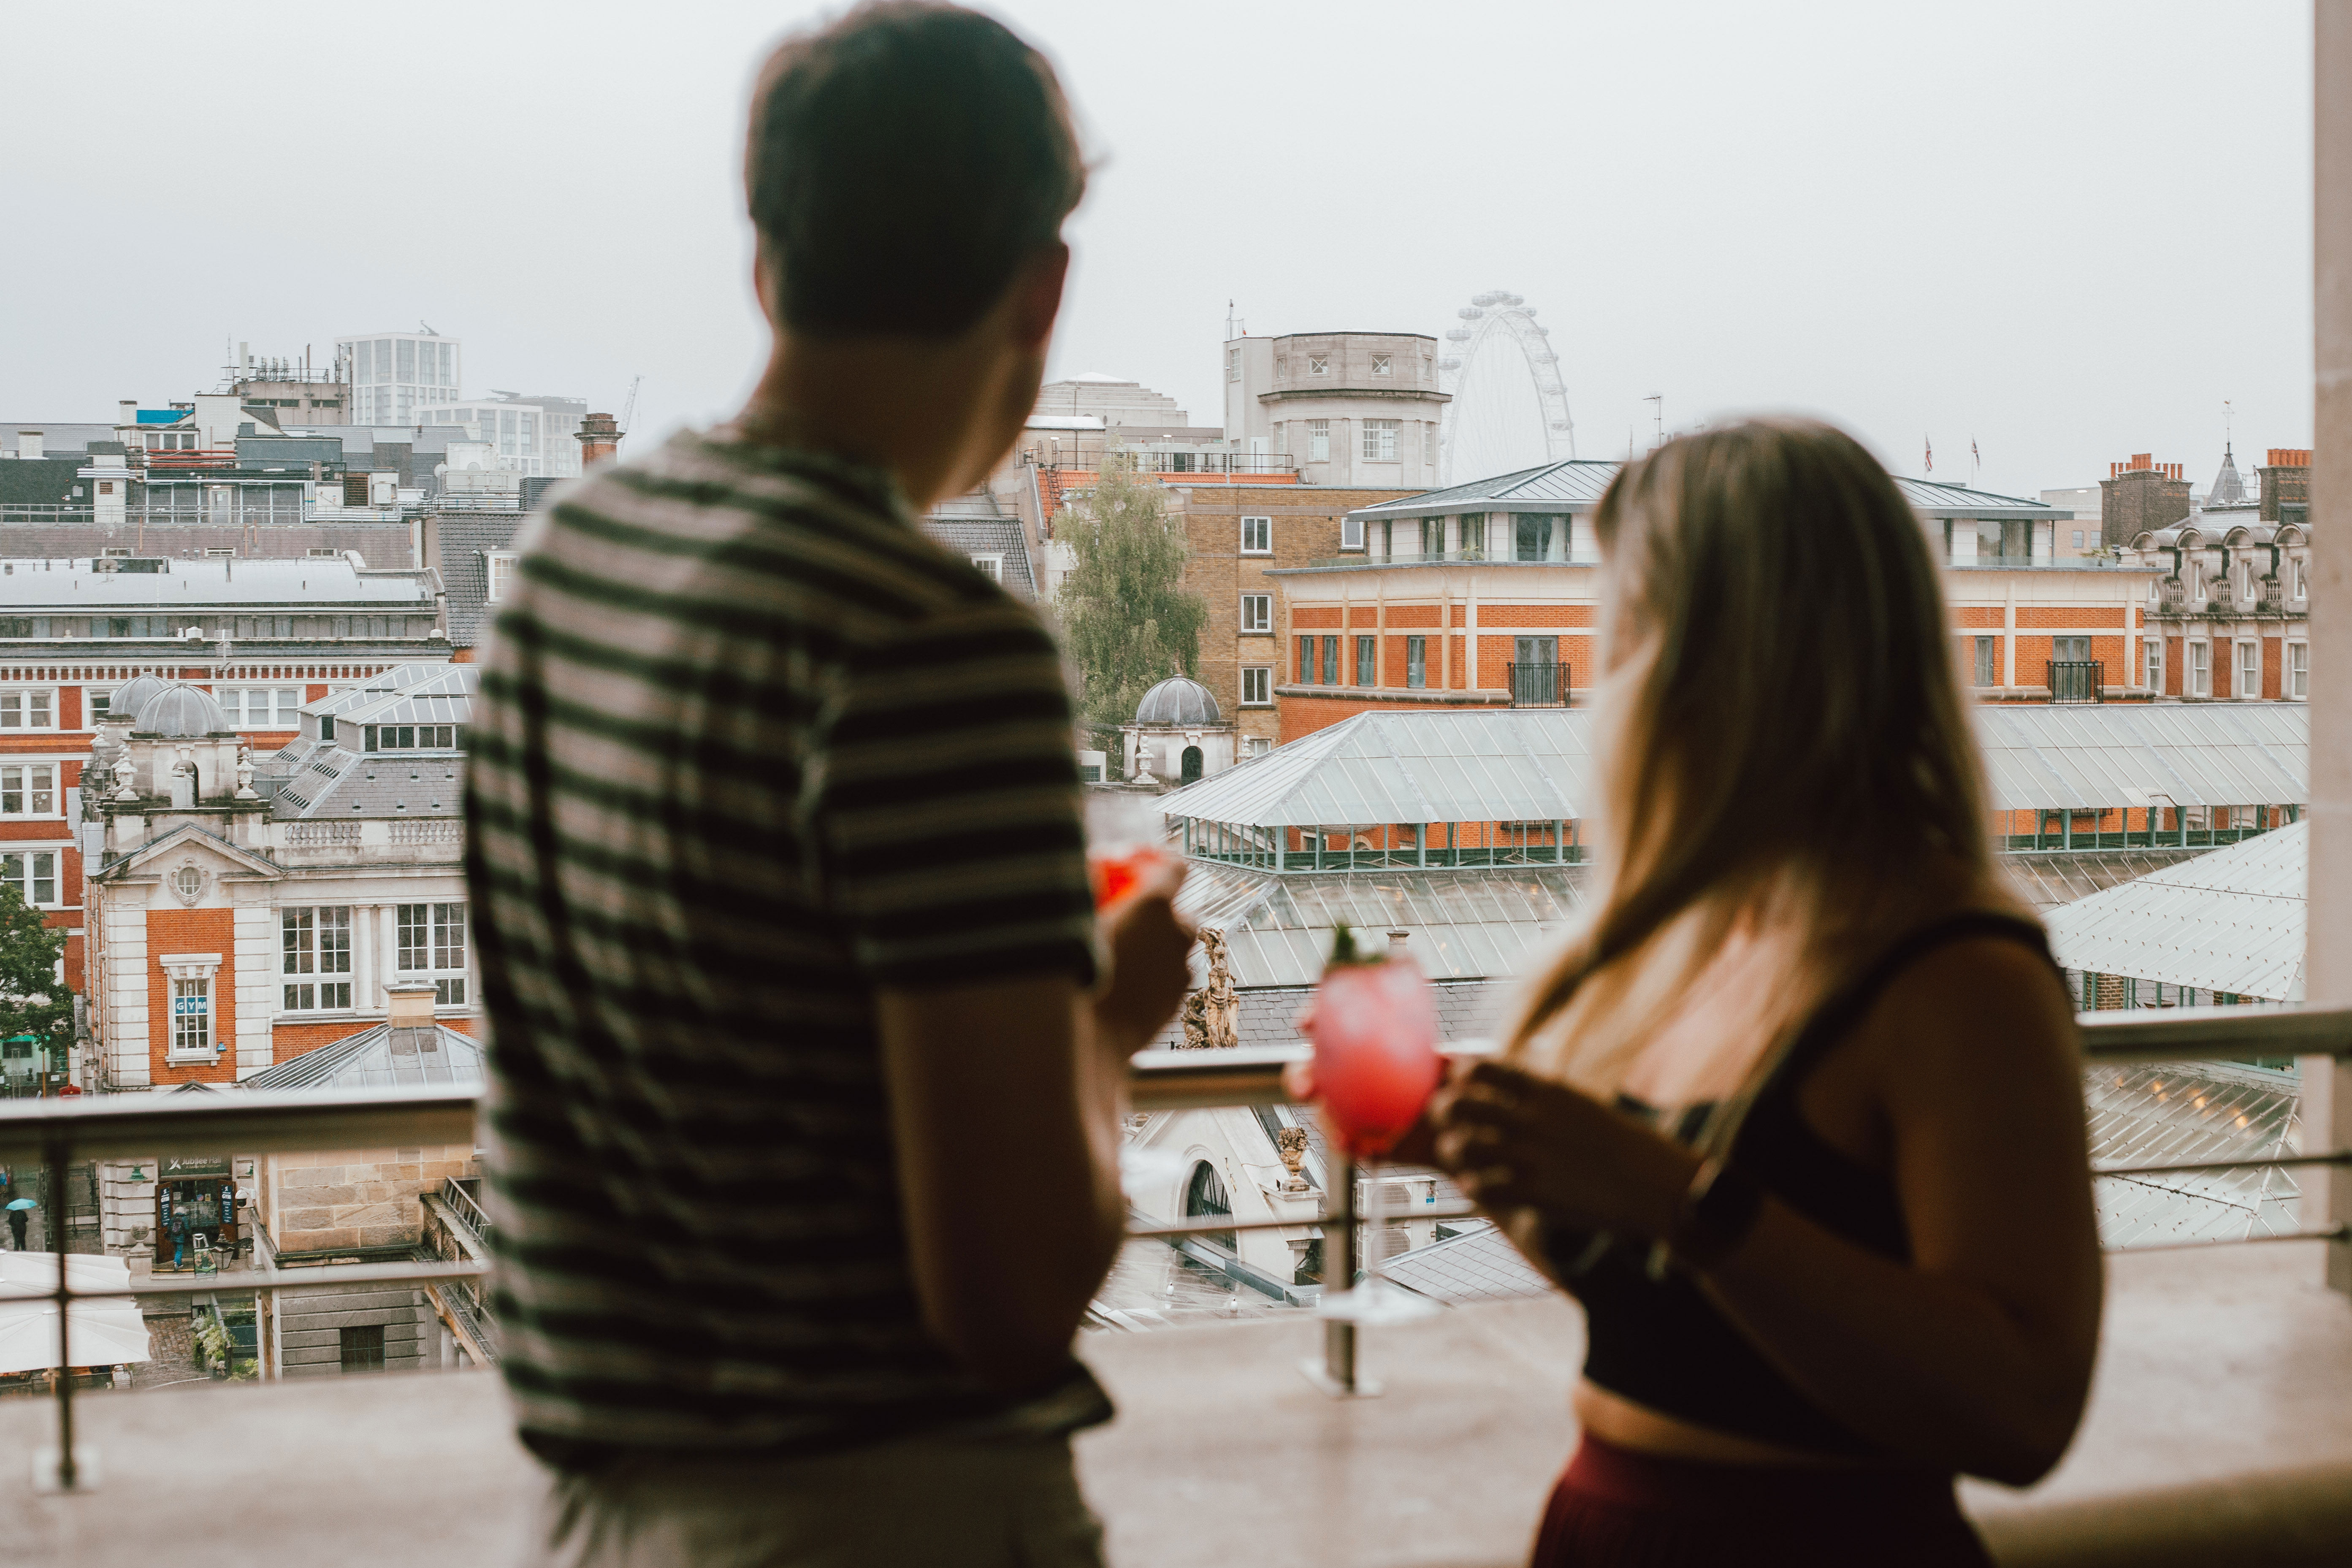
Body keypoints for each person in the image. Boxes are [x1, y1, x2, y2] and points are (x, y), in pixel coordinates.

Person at [463, 7, 1193, 1564]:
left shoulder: (563, 566)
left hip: (606, 1505)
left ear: (765, 258)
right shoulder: (929, 645)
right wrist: (1100, 1029)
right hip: (884, 1508)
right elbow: (1006, 1304)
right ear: (1041, 284)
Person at [1423, 422, 2103, 1566]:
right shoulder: (1693, 931)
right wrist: (1492, 1151)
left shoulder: (1957, 977)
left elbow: (2024, 1410)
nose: (1600, 684)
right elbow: (1671, 1310)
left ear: (1719, 661)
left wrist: (1677, 1196)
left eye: (1625, 630)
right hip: (1605, 1522)